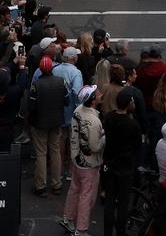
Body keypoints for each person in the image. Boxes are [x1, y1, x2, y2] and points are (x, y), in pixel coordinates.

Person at [63, 85, 104, 236]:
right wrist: (104, 137)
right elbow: (95, 146)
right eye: (98, 93)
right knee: (87, 196)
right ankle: (81, 229)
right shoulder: (94, 120)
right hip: (89, 164)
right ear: (93, 99)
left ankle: (68, 218)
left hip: (76, 158)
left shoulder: (78, 110)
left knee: (74, 189)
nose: (100, 94)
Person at [25, 55, 68, 196]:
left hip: (40, 123)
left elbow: (30, 105)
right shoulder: (61, 82)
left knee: (41, 153)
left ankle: (41, 186)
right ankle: (57, 184)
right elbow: (67, 101)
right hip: (56, 121)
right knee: (55, 152)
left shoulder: (36, 85)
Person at [102, 91, 141, 236]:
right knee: (123, 204)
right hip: (125, 168)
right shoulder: (132, 125)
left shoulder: (109, 118)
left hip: (110, 165)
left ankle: (107, 232)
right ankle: (120, 232)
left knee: (109, 202)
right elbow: (137, 146)